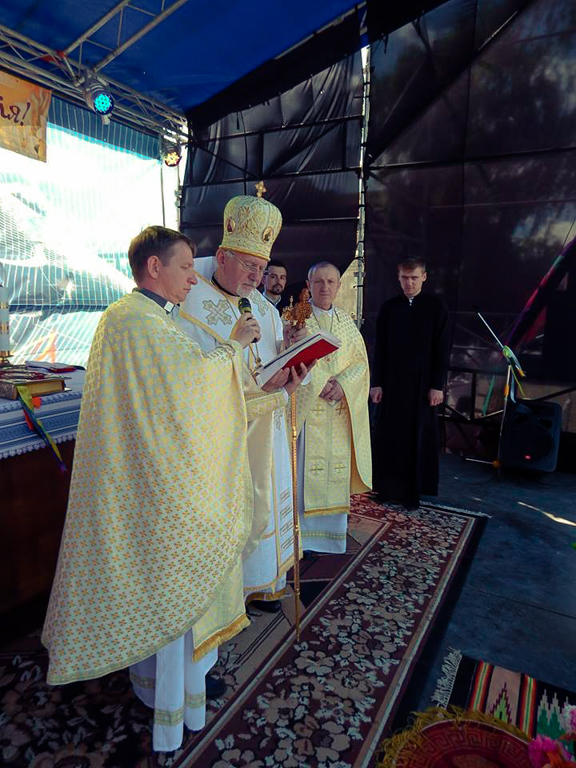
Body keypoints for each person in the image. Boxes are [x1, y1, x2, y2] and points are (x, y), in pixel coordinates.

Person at [42, 225, 260, 752]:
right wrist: (233, 346)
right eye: (185, 267)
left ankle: (166, 693)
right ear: (154, 267)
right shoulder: (134, 320)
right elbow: (189, 388)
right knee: (167, 584)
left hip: (153, 478)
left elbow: (180, 391)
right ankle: (166, 704)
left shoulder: (150, 319)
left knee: (166, 590)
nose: (193, 278)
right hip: (154, 487)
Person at [177, 190, 306, 614]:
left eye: (262, 268)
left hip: (266, 423)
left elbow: (266, 361)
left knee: (267, 498)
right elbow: (194, 379)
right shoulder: (187, 301)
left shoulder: (264, 309)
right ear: (222, 257)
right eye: (250, 266)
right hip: (226, 435)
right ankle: (228, 598)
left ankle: (262, 582)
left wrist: (289, 352)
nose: (257, 276)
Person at [291, 261, 372, 553]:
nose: (325, 287)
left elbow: (360, 364)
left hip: (337, 411)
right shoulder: (297, 320)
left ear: (338, 286)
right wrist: (321, 381)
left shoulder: (347, 323)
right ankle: (302, 536)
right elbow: (288, 356)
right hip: (308, 411)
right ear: (308, 285)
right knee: (302, 472)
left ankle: (331, 538)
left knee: (335, 471)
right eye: (319, 282)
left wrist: (342, 385)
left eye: (330, 282)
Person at [370, 257, 449, 510]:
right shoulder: (389, 308)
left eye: (414, 278)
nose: (409, 283)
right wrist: (376, 383)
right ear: (399, 277)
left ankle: (412, 493)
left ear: (424, 277)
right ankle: (385, 488)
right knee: (389, 436)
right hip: (392, 383)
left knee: (416, 437)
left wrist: (437, 385)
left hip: (422, 386)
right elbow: (380, 348)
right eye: (405, 278)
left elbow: (442, 349)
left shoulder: (436, 307)